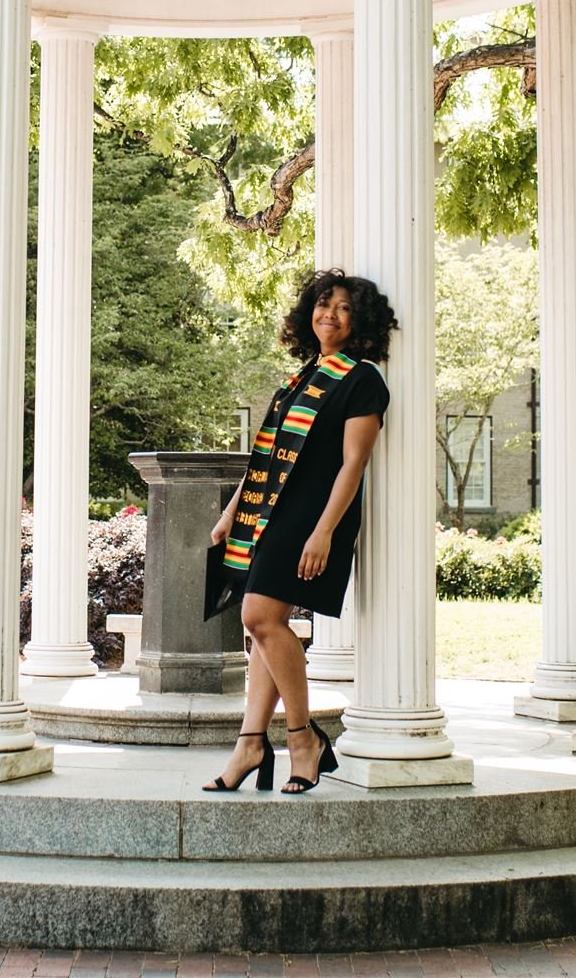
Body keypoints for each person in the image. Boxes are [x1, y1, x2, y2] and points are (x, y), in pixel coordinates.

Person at [203, 268, 395, 795]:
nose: (328, 314)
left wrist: (324, 532)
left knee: (259, 616)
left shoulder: (362, 380)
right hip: (269, 513)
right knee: (265, 628)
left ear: (360, 322)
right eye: (322, 304)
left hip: (312, 518)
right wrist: (231, 514)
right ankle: (250, 744)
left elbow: (353, 464)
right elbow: (263, 461)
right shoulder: (299, 379)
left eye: (342, 308)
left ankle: (301, 737)